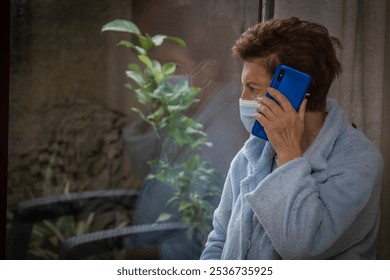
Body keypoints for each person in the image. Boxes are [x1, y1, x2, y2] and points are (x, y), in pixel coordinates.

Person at [200, 17, 383, 260]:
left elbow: (300, 248)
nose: (243, 97)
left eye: (253, 88)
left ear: (292, 91)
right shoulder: (252, 153)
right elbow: (219, 239)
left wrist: (288, 153)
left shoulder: (359, 163)